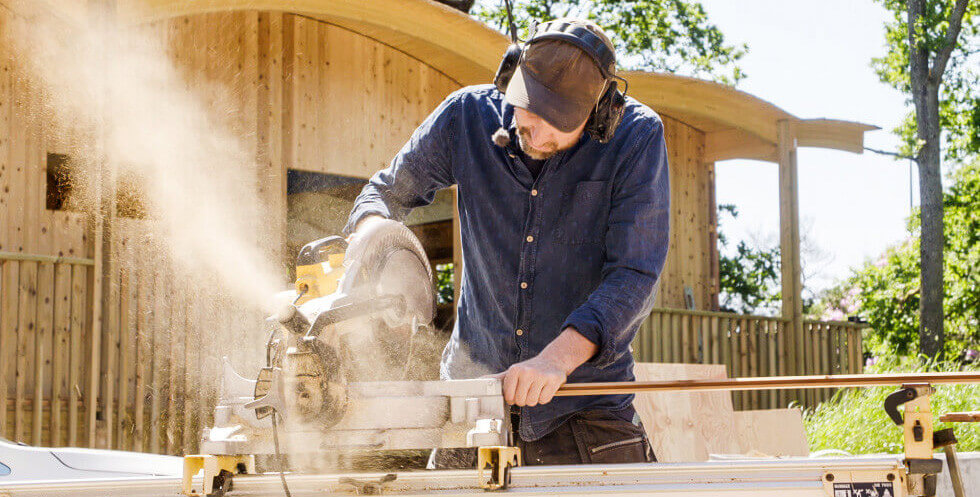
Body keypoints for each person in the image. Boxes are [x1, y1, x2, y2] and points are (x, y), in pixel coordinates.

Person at [345, 18, 669, 466]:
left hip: (583, 409)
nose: (533, 131)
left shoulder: (636, 137)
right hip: (471, 403)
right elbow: (383, 193)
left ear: (600, 114)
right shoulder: (465, 117)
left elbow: (634, 274)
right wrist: (371, 244)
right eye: (526, 110)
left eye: (555, 125)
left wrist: (556, 359)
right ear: (510, 76)